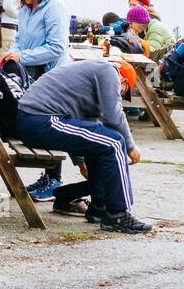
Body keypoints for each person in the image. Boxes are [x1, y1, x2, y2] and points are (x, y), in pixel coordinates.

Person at [15, 59, 152, 233]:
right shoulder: (109, 71)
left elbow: (88, 125)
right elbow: (113, 116)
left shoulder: (92, 74)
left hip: (35, 119)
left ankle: (99, 209)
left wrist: (81, 162)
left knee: (103, 143)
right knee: (114, 142)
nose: (120, 97)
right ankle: (118, 215)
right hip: (42, 118)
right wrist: (131, 146)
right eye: (123, 93)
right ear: (123, 81)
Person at [0, 0, 71, 201]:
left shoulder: (55, 8)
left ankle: (54, 179)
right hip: (31, 75)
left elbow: (57, 47)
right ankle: (47, 176)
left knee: (51, 125)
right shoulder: (25, 9)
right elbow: (19, 39)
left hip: (53, 76)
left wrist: (23, 56)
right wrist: (13, 53)